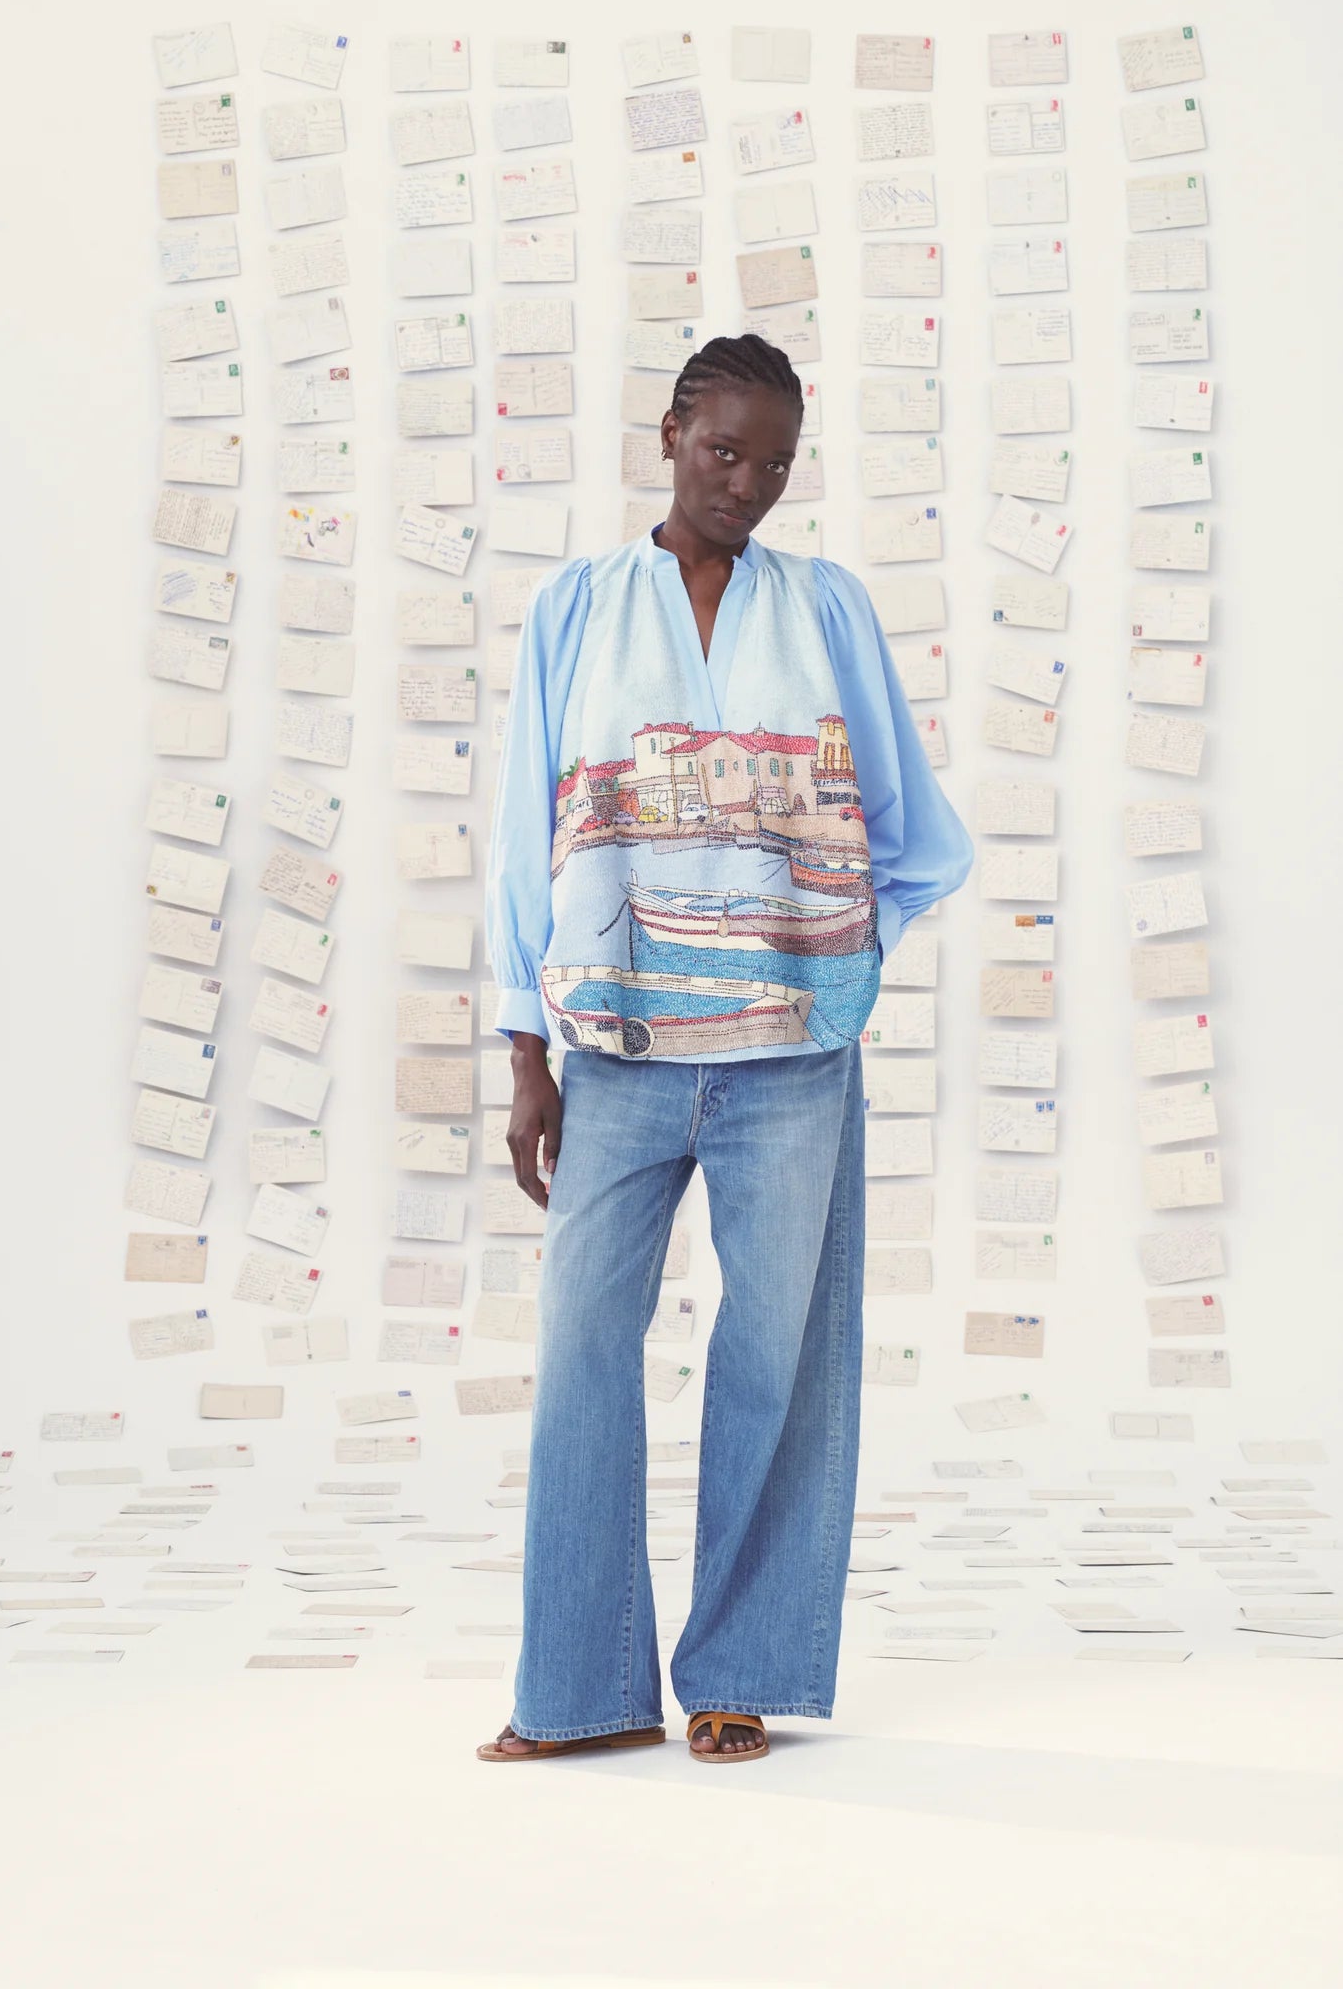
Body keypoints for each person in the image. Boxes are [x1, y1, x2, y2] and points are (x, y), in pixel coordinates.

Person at [476, 333, 974, 1764]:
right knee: (584, 1352)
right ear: (669, 437)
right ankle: (575, 1691)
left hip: (791, 1062)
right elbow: (526, 829)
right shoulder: (577, 606)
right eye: (722, 451)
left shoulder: (825, 606)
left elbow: (913, 834)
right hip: (614, 1047)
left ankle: (740, 1671)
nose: (746, 483)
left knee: (777, 1358)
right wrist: (525, 1049)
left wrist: (840, 955)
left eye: (774, 463)